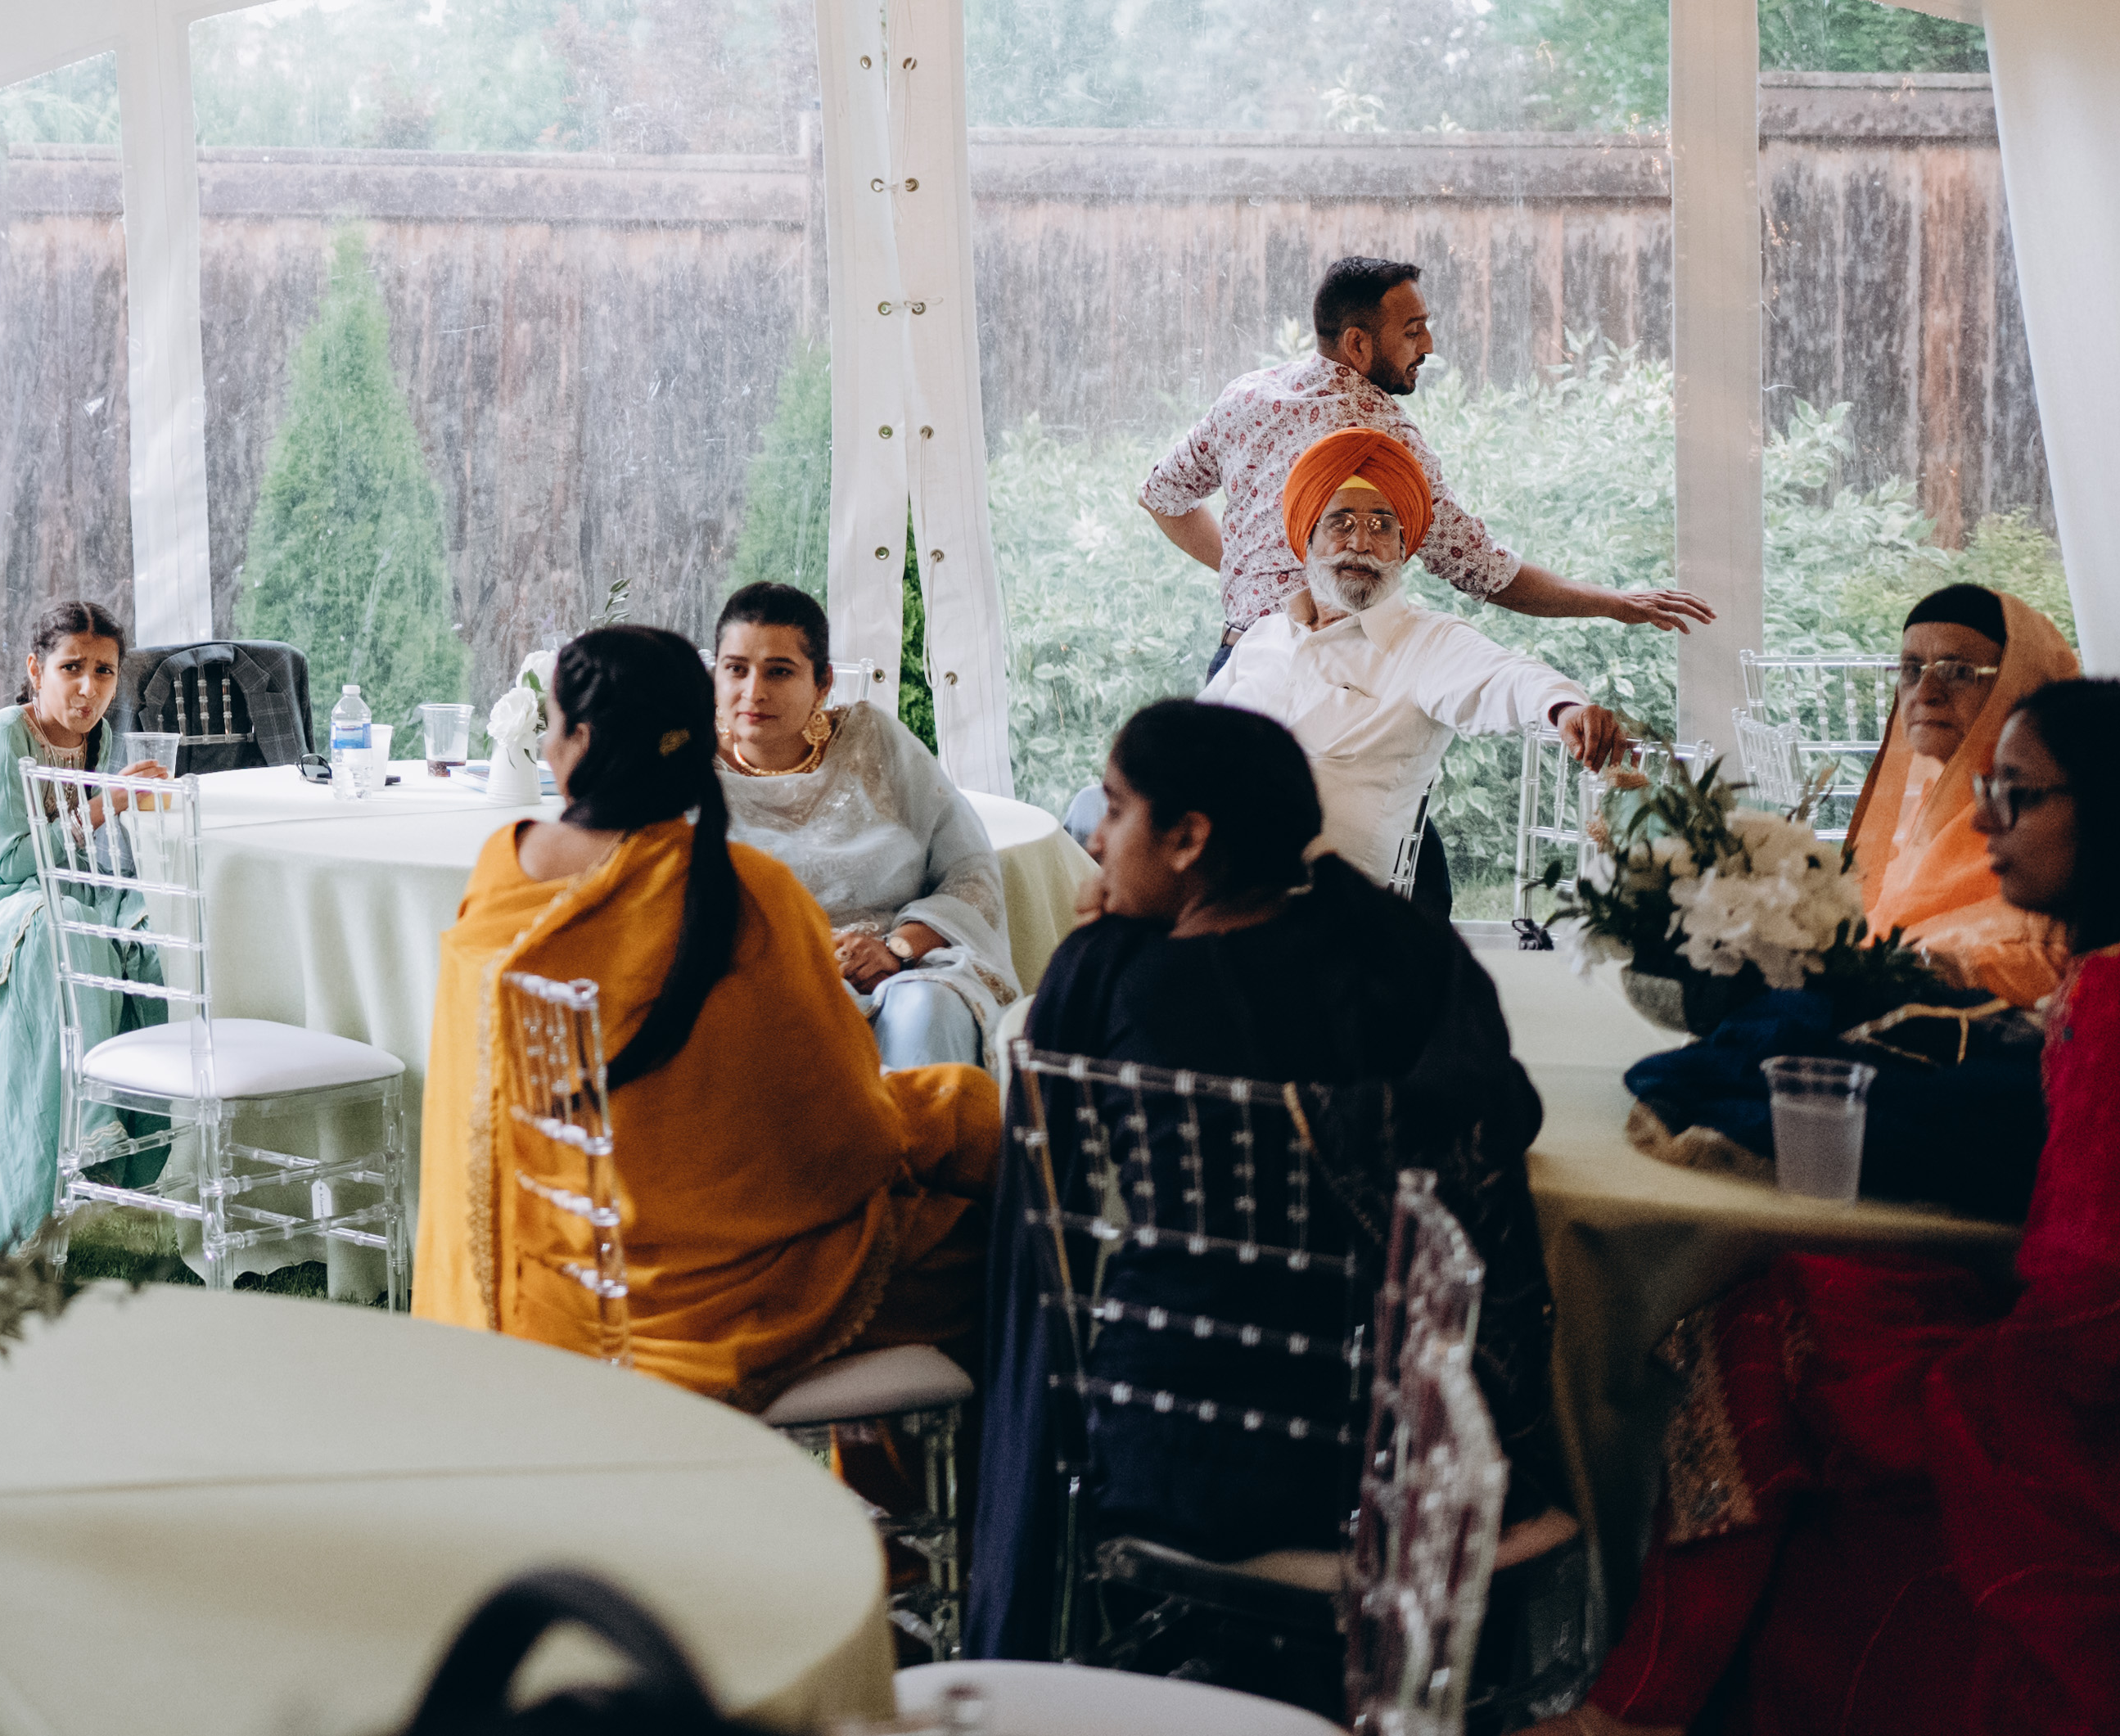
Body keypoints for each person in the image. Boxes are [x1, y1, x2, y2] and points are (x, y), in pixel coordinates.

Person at [1549, 675, 2120, 1734]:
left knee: (1758, 1324)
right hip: (2072, 1354)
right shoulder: (2112, 964)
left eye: (2017, 794)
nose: (1984, 820)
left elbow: (2103, 1295)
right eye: (1987, 788)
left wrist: (1967, 1389)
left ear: (2113, 808)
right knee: (1804, 1294)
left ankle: (1635, 1700)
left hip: (2089, 1416)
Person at [965, 697, 1560, 1664]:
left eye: (1112, 809)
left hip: (1168, 1446)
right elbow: (1507, 1111)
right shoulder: (1395, 954)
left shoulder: (1110, 972)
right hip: (1398, 1456)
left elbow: (1048, 1193)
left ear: (1188, 838)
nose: (1094, 839)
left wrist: (1101, 940)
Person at [417, 625, 997, 1406]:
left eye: (551, 724)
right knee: (994, 1218)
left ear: (579, 742)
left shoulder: (502, 867)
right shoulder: (746, 891)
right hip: (714, 1300)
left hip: (544, 1284)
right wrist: (945, 1117)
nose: (546, 743)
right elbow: (847, 1135)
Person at [1139, 255, 1711, 655]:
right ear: (1358, 343)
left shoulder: (1247, 397)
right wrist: (1614, 603)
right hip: (1327, 681)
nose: (1428, 346)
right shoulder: (1381, 440)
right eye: (1413, 331)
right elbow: (1483, 569)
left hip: (1233, 663)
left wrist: (1249, 573)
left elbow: (1161, 496)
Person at [1202, 427, 1634, 918]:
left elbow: (1506, 677)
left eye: (1382, 526)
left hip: (1319, 919)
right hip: (1203, 894)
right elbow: (1184, 749)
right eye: (1340, 522)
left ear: (1403, 548)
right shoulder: (1264, 637)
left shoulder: (1426, 644)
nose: (1361, 542)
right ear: (1307, 539)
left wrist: (1565, 708)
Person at [704, 583, 1011, 1071]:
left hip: (898, 972)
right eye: (736, 669)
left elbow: (970, 872)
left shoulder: (872, 739)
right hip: (759, 983)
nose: (754, 692)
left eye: (780, 671)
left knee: (928, 1008)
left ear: (822, 682)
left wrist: (897, 949)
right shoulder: (686, 774)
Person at [0, 599, 164, 1250]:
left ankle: (138, 1147)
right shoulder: (3, 736)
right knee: (58, 931)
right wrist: (102, 805)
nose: (88, 687)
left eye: (104, 671)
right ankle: (71, 1140)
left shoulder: (102, 740)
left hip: (71, 886)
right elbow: (10, 864)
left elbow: (93, 852)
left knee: (150, 932)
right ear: (36, 670)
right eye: (71, 667)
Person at [1835, 579, 2082, 1010]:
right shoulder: (1934, 807)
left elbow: (2045, 962)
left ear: (2021, 685)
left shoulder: (2060, 831)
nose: (1925, 693)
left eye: (1958, 671)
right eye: (1911, 669)